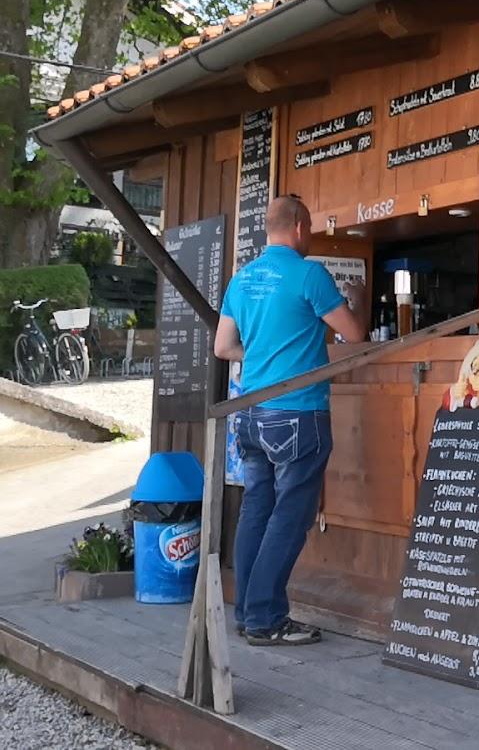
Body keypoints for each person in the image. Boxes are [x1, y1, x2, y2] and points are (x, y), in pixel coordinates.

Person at [214, 195, 367, 646]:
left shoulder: (241, 279)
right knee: (289, 516)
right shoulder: (309, 275)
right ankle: (264, 618)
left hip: (252, 413)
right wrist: (355, 300)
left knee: (257, 509)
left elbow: (224, 347)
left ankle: (246, 612)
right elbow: (355, 334)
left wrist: (260, 354)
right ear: (299, 227)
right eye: (312, 227)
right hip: (299, 414)